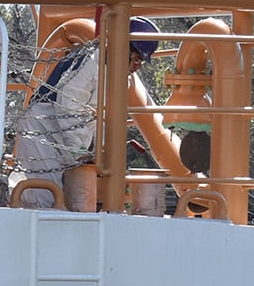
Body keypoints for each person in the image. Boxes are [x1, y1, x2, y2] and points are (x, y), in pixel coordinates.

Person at [11, 17, 162, 203]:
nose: (138, 66)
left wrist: (98, 152)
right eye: (137, 58)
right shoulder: (89, 62)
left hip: (66, 139)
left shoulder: (120, 77)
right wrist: (80, 152)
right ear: (123, 48)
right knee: (47, 197)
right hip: (42, 131)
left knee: (67, 199)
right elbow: (69, 106)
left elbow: (101, 118)